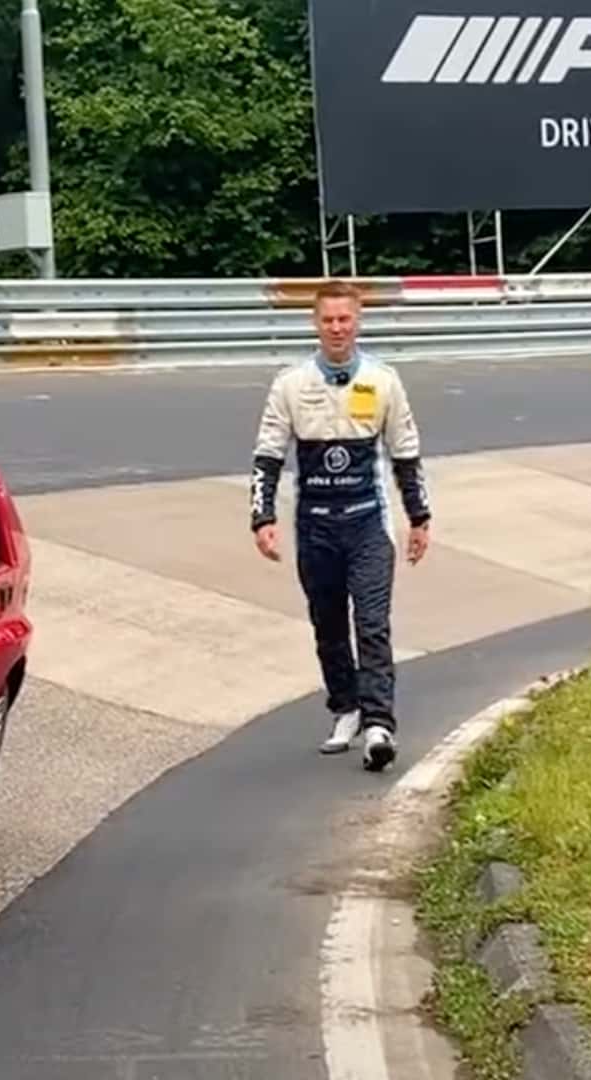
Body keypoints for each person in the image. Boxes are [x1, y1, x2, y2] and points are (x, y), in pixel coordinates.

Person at [249, 280, 431, 772]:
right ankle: (345, 709)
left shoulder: (383, 380)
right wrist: (262, 519)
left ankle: (379, 725)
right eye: (327, 319)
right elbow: (267, 455)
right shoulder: (290, 383)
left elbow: (406, 452)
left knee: (371, 626)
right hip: (314, 526)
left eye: (344, 319)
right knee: (327, 626)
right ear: (315, 322)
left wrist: (419, 518)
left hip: (368, 524)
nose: (336, 328)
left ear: (358, 321)